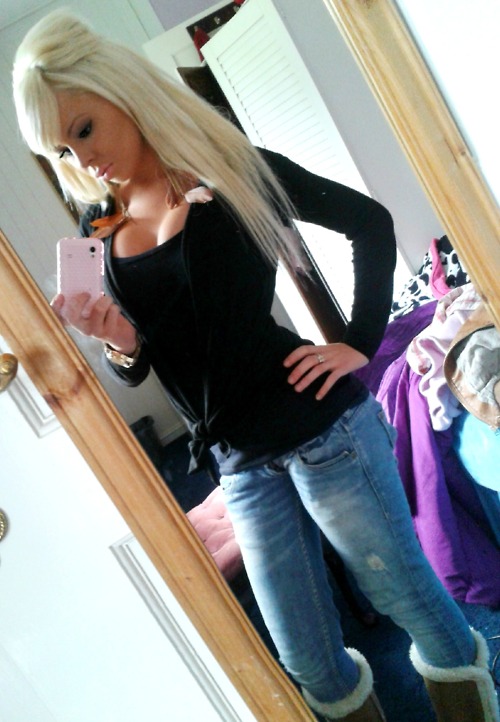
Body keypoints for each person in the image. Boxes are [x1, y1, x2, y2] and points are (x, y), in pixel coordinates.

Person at [13, 11, 499, 722]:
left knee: (408, 599)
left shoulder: (228, 168)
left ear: (120, 89)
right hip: (237, 464)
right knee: (306, 660)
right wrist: (117, 340)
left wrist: (358, 342)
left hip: (323, 432)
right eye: (63, 148)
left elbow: (368, 223)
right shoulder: (94, 231)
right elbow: (137, 365)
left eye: (83, 129)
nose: (83, 160)